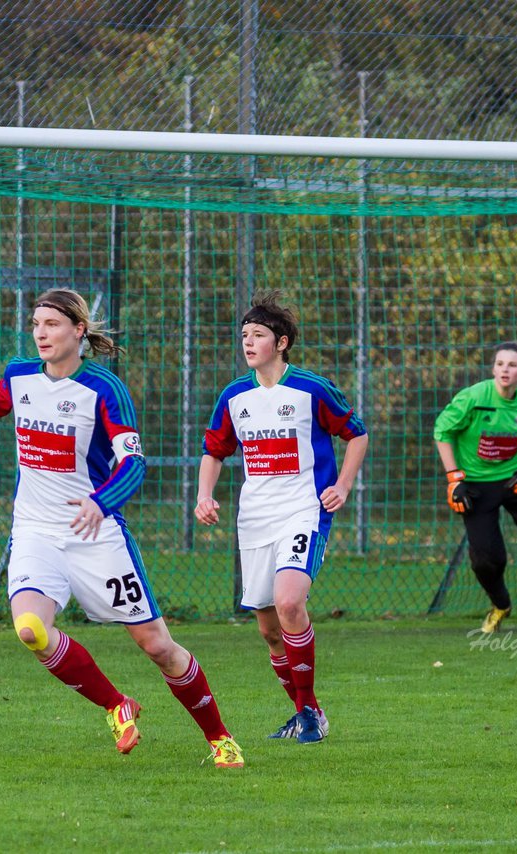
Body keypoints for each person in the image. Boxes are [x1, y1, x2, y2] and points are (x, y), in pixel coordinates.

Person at [0, 288, 244, 769]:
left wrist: (101, 503)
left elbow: (134, 463)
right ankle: (116, 705)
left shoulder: (103, 389)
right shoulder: (19, 377)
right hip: (36, 532)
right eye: (36, 323)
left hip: (96, 535)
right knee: (30, 630)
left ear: (78, 331)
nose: (41, 332)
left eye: (52, 324)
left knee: (158, 647)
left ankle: (220, 738)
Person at [194, 292, 369, 745]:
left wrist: (343, 486)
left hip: (303, 511)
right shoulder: (234, 395)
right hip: (254, 519)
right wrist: (205, 495)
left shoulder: (311, 389)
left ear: (282, 342)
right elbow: (214, 451)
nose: (248, 343)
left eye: (258, 335)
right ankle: (304, 711)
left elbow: (357, 434)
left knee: (291, 602)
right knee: (271, 630)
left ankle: (309, 713)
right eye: (244, 335)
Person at [434, 342, 517, 635]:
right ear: (494, 369)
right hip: (477, 486)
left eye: (513, 365)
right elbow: (442, 430)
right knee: (485, 561)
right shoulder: (474, 397)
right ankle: (501, 605)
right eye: (500, 364)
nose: (505, 369)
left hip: (515, 482)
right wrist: (454, 477)